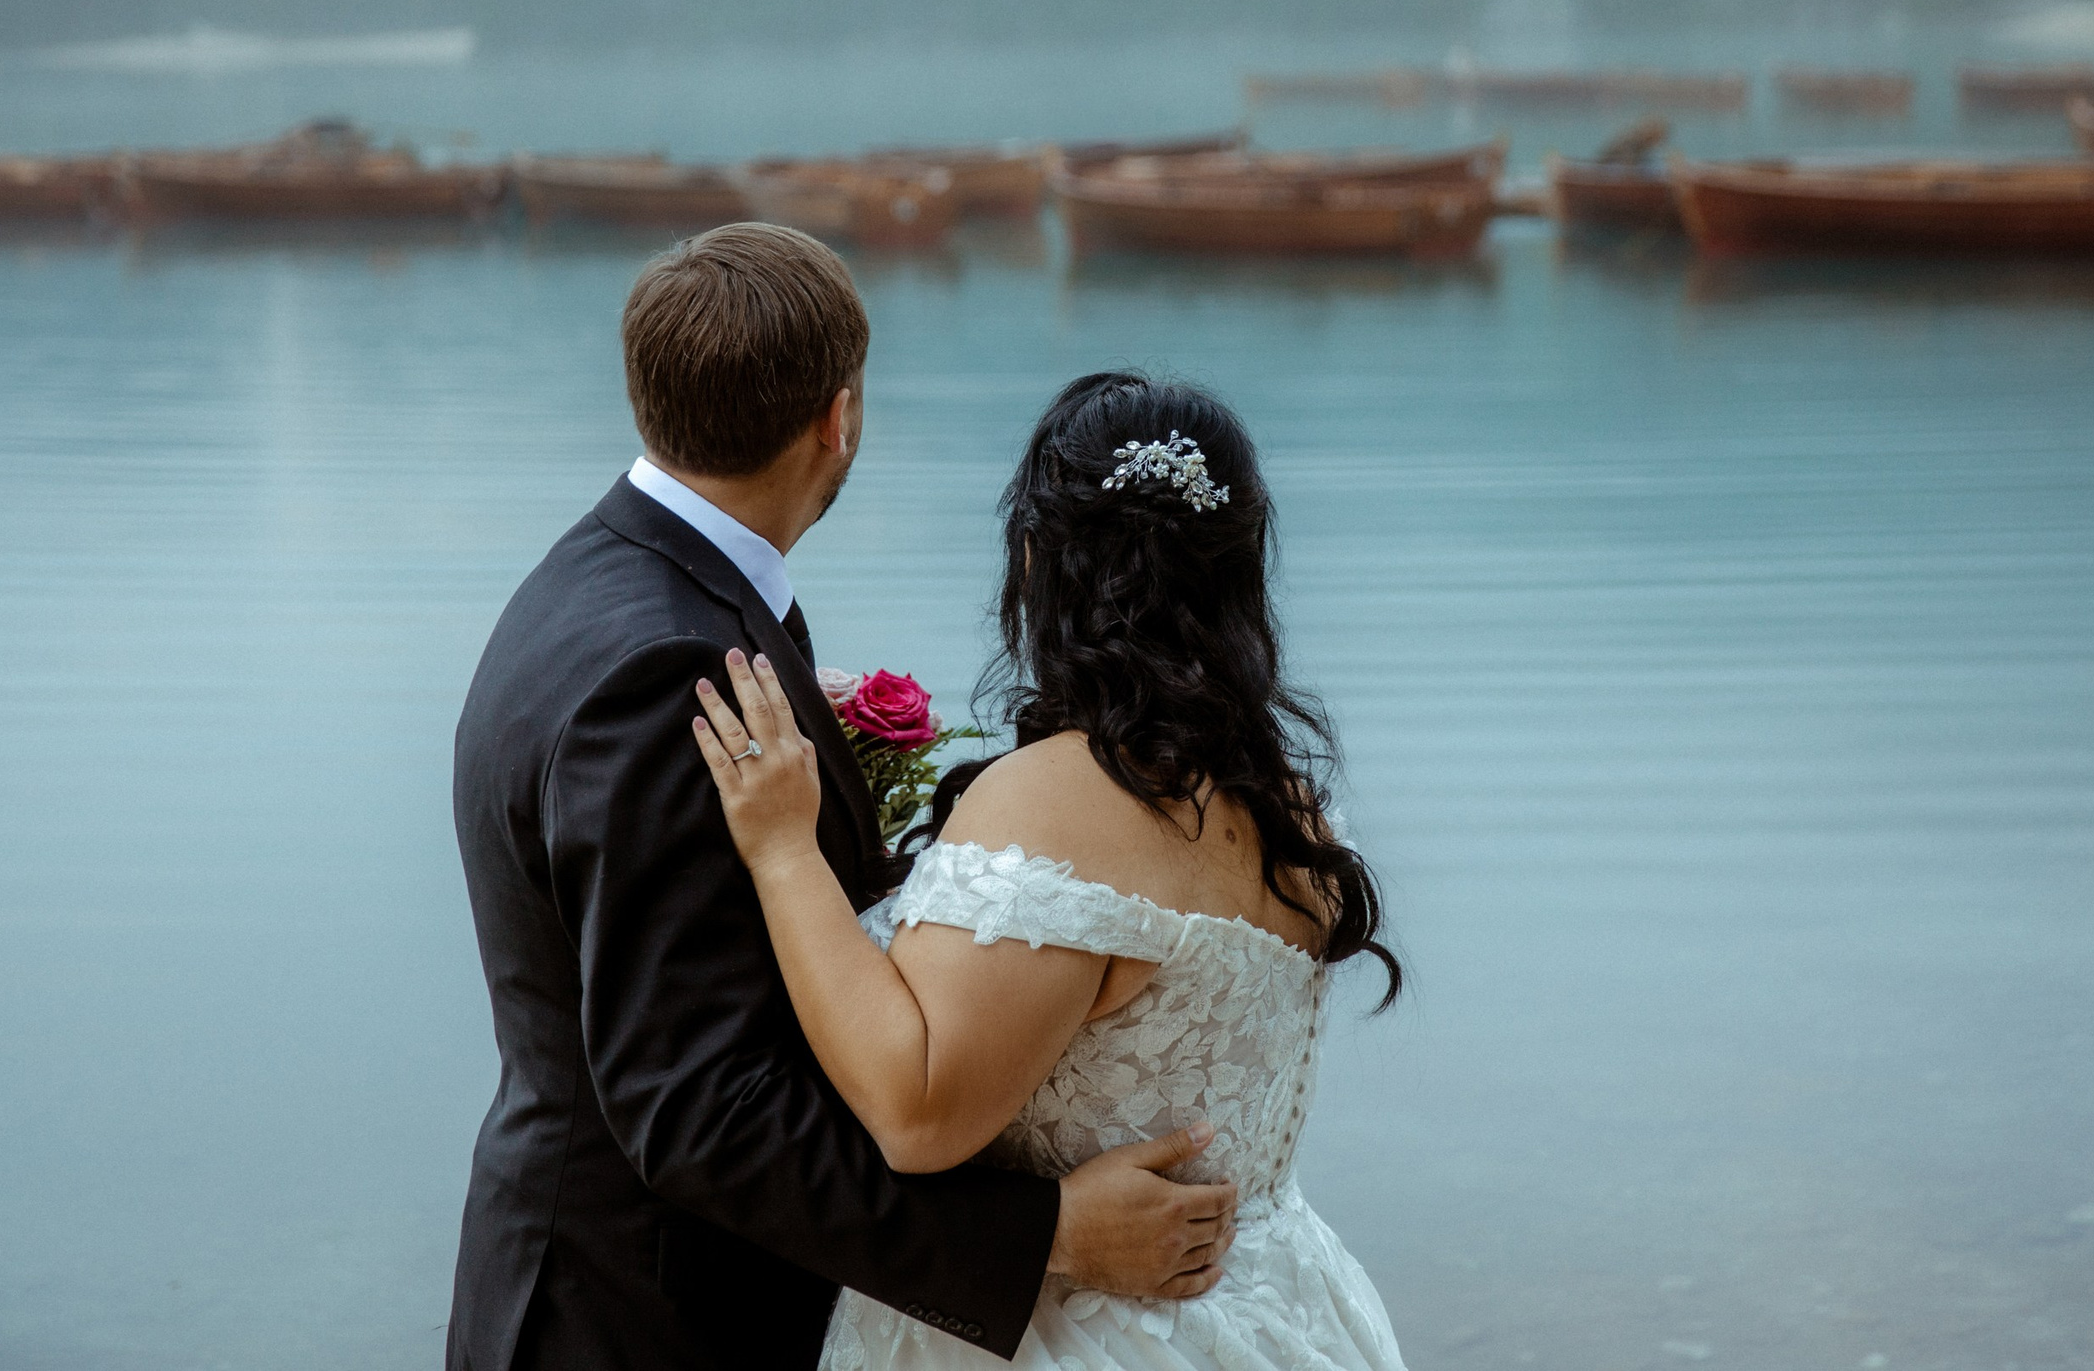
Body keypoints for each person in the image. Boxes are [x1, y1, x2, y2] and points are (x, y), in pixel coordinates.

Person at [448, 229, 1240, 1371]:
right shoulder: (671, 672)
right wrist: (1043, 1238)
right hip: (641, 1320)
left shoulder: (606, 582)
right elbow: (696, 1111)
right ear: (841, 418)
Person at [688, 371, 1410, 1370]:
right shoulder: (1290, 805)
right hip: (1277, 1309)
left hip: (1077, 1334)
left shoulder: (1051, 800)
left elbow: (918, 1114)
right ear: (1240, 572)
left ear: (1037, 563)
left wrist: (780, 851)